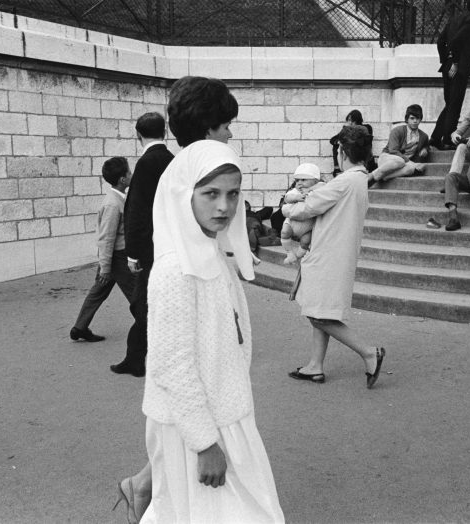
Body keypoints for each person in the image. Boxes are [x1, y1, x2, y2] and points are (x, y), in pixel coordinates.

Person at [114, 75, 241, 524]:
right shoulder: (178, 169)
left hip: (185, 279)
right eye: (225, 124)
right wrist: (138, 259)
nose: (230, 132)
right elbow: (139, 215)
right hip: (169, 274)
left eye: (231, 195)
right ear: (209, 124)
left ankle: (145, 485)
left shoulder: (193, 167)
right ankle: (147, 486)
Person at [140, 139, 284, 523]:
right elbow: (172, 365)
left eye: (233, 194)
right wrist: (205, 443)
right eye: (211, 194)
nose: (224, 206)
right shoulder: (174, 270)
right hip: (197, 427)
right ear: (185, 194)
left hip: (226, 413)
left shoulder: (211, 252)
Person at [284, 125, 385, 388]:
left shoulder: (344, 181)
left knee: (318, 314)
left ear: (342, 151)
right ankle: (315, 366)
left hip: (328, 254)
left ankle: (368, 352)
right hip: (337, 253)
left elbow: (305, 208)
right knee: (322, 311)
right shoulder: (359, 179)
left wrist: (287, 204)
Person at [110, 112, 174, 378]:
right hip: (171, 245)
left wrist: (133, 253)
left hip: (150, 248)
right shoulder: (172, 161)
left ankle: (152, 358)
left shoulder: (145, 163)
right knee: (147, 303)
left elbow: (136, 211)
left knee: (142, 304)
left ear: (138, 135)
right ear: (166, 132)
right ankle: (134, 358)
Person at [70, 157, 135, 343]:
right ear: (122, 179)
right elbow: (107, 238)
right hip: (118, 258)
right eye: (129, 173)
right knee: (137, 295)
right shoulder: (113, 204)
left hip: (114, 258)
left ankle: (79, 327)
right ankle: (149, 330)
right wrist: (106, 268)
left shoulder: (118, 199)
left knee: (98, 291)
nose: (131, 175)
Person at [429, 0, 470, 149]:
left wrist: (446, 60)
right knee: (455, 105)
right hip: (458, 69)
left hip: (448, 67)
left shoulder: (454, 19)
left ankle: (435, 137)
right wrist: (455, 62)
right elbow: (457, 40)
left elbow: (441, 41)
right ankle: (447, 139)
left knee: (450, 104)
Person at [369, 104, 429, 184]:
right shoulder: (397, 131)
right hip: (387, 158)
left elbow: (427, 145)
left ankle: (384, 177)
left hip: (404, 163)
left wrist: (425, 149)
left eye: (417, 118)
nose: (415, 121)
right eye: (412, 118)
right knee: (401, 161)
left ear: (420, 119)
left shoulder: (424, 136)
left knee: (411, 169)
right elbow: (393, 150)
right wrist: (411, 162)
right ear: (407, 119)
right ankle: (372, 176)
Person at [280, 163, 324, 264]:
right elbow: (287, 198)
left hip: (307, 227)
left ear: (315, 181)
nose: (299, 183)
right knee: (285, 232)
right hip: (292, 222)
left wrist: (310, 190)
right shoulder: (296, 191)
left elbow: (323, 187)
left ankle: (298, 255)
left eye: (303, 180)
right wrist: (296, 198)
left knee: (305, 242)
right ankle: (289, 253)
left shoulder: (318, 191)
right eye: (297, 180)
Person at [330, 110, 377, 174]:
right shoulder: (347, 130)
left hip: (362, 156)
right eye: (348, 120)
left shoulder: (366, 127)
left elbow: (363, 141)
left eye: (351, 120)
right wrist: (340, 141)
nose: (349, 122)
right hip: (351, 157)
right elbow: (332, 140)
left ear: (356, 120)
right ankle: (337, 168)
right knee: (337, 146)